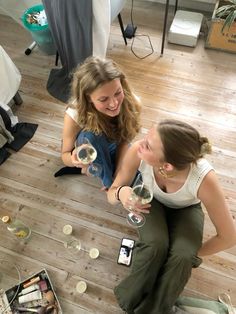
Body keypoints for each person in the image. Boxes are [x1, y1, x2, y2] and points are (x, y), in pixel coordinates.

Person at [107, 119, 236, 314]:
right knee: (155, 246)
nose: (140, 143)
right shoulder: (137, 152)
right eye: (147, 136)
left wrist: (191, 253)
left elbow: (229, 236)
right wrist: (121, 193)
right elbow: (111, 193)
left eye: (148, 146)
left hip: (186, 209)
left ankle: (153, 310)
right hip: (150, 201)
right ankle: (128, 299)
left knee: (182, 256)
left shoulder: (204, 179)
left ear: (166, 166)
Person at [54, 56, 141, 188]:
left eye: (118, 93)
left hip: (113, 142)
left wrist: (118, 172)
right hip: (88, 145)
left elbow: (124, 141)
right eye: (103, 99)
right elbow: (64, 156)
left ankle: (95, 171)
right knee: (93, 136)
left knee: (134, 163)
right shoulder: (74, 114)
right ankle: (106, 180)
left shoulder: (131, 102)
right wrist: (73, 159)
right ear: (88, 98)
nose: (114, 103)